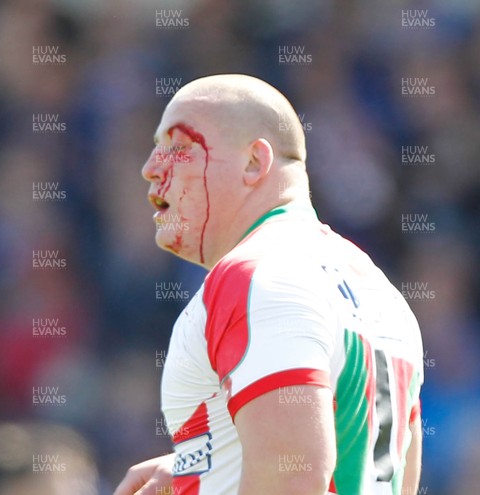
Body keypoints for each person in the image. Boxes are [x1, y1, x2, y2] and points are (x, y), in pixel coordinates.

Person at [114, 74, 424, 495]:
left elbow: (293, 478)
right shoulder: (380, 290)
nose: (151, 170)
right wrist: (205, 468)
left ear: (254, 164)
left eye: (179, 149)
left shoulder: (255, 275)